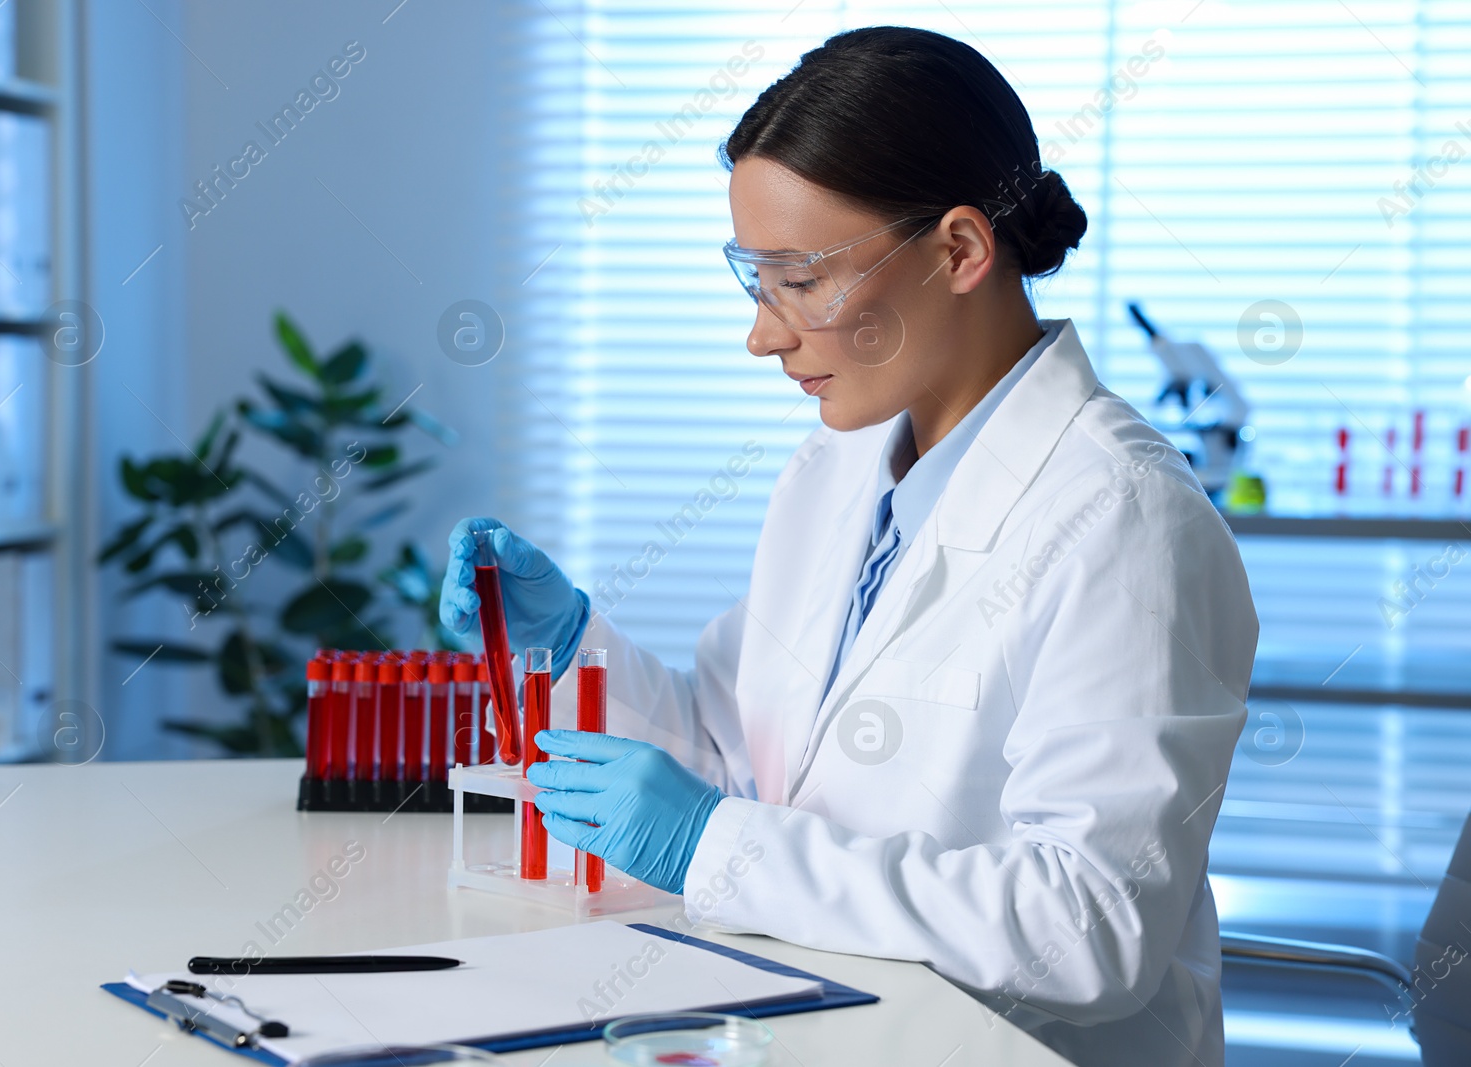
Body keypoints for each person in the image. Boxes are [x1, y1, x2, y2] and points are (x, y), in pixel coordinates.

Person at [440, 26, 1256, 1067]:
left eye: (800, 280)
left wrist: (714, 843)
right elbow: (745, 766)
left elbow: (1090, 926)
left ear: (961, 249)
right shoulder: (835, 471)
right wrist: (568, 648)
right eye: (754, 279)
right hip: (805, 1018)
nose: (764, 335)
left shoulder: (1127, 518)